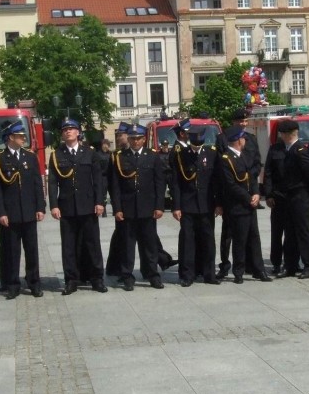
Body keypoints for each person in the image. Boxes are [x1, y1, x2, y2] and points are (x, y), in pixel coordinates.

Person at [48, 118, 107, 295]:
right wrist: (54, 204)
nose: (68, 132)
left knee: (92, 244)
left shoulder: (89, 153)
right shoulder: (56, 154)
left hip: (88, 205)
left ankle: (97, 278)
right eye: (65, 129)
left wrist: (99, 202)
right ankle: (71, 280)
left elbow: (98, 180)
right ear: (62, 134)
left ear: (78, 132)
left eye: (72, 129)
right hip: (67, 206)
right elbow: (52, 182)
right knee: (68, 246)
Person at [0, 121, 46, 298]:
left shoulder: (30, 157)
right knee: (12, 252)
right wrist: (1, 212)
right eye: (20, 136)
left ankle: (34, 282)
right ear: (11, 138)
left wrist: (40, 207)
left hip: (29, 211)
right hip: (10, 214)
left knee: (32, 250)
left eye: (23, 136)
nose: (23, 139)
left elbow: (37, 184)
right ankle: (13, 284)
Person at [109, 123, 166, 290]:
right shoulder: (119, 157)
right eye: (132, 138)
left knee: (149, 244)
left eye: (138, 138)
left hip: (148, 208)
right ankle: (127, 276)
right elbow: (115, 186)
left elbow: (159, 183)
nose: (135, 141)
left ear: (144, 139)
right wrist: (117, 208)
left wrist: (159, 206)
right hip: (127, 209)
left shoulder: (152, 156)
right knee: (127, 245)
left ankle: (152, 274)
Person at [263, 118, 309, 278]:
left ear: (288, 135)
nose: (280, 136)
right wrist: (269, 194)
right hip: (282, 198)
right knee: (288, 233)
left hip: (300, 197)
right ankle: (290, 265)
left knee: (303, 232)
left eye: (282, 133)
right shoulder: (276, 149)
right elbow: (268, 173)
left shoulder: (301, 150)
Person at [169, 128, 221, 286]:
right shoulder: (181, 155)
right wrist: (176, 206)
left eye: (200, 145)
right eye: (195, 145)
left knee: (208, 240)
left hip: (206, 204)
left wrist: (218, 203)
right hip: (187, 204)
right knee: (187, 241)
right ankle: (187, 275)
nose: (198, 148)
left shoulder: (211, 153)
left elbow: (217, 181)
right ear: (190, 140)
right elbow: (175, 183)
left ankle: (209, 274)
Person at [218, 125, 269, 283]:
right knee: (239, 239)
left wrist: (256, 193)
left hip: (249, 204)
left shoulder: (244, 156)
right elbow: (230, 184)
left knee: (254, 238)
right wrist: (248, 198)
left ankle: (259, 270)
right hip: (237, 205)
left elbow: (251, 177)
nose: (245, 140)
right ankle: (238, 271)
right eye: (243, 138)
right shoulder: (226, 159)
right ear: (238, 141)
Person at [105, 122, 131, 277]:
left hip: (139, 202)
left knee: (146, 235)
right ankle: (117, 268)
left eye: (121, 135)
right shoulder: (115, 156)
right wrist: (116, 206)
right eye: (118, 135)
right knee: (122, 236)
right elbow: (112, 182)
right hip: (123, 202)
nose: (119, 137)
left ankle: (113, 267)